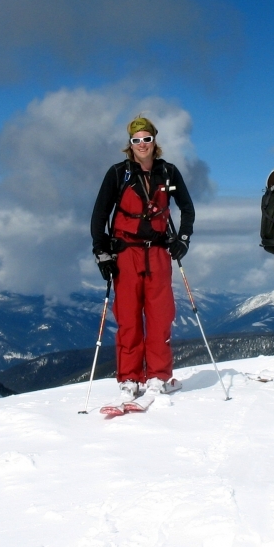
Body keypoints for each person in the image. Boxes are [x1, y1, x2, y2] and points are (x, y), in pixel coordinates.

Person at [90, 116, 195, 402]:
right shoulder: (118, 173)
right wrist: (102, 252)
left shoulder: (169, 172)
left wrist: (183, 238)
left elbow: (187, 207)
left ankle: (159, 376)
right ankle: (130, 379)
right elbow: (100, 214)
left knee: (161, 316)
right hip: (126, 253)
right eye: (136, 140)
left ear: (154, 141)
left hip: (159, 252)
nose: (142, 144)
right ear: (130, 144)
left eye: (146, 139)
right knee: (128, 318)